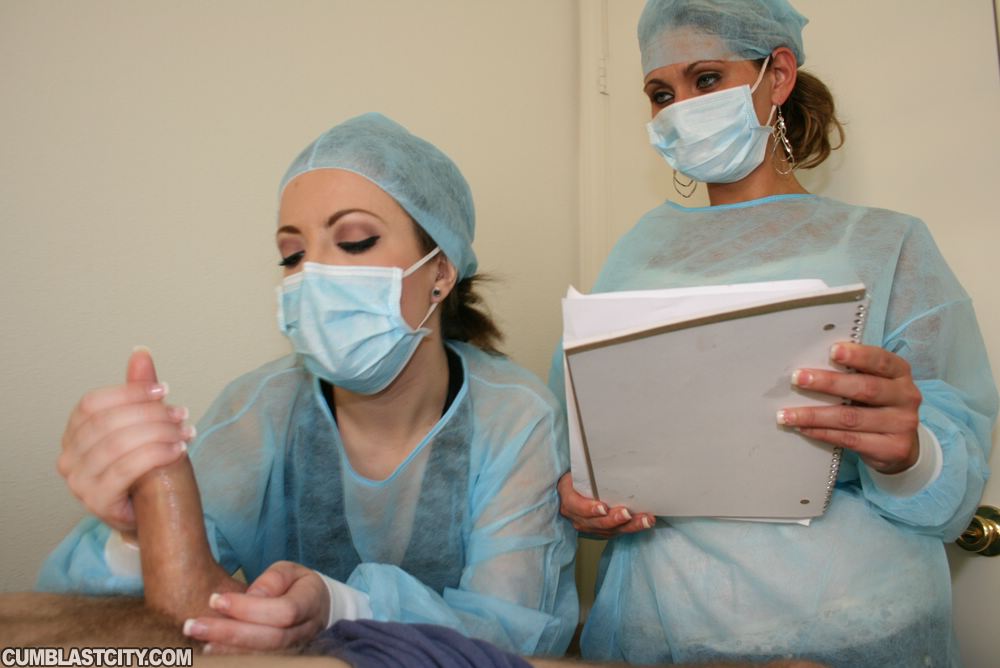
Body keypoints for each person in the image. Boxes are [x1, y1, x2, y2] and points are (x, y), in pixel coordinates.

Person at [553, 1, 998, 666]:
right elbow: (581, 437)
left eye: (706, 79)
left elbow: (948, 489)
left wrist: (911, 455)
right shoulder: (635, 256)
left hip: (854, 623)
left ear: (778, 75)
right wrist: (580, 497)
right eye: (660, 93)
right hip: (659, 624)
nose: (680, 109)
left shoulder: (884, 244)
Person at [37, 112, 578, 657]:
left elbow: (515, 635)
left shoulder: (516, 417)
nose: (313, 274)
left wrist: (343, 609)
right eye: (292, 255)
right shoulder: (260, 409)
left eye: (356, 241)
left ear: (440, 273)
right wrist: (140, 531)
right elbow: (91, 612)